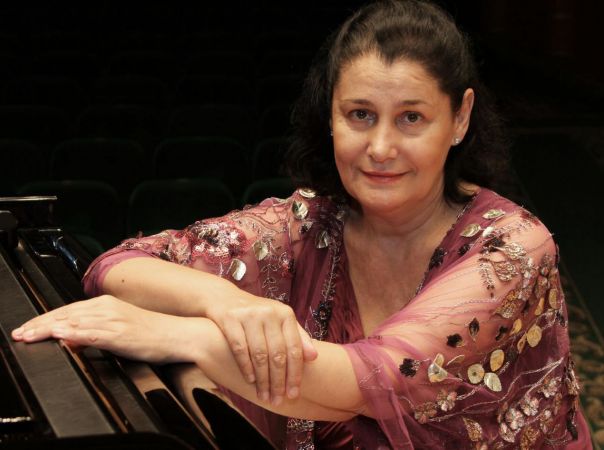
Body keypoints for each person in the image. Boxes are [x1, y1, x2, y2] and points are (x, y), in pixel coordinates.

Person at [11, 1, 591, 448]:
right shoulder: (309, 223)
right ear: (330, 116)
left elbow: (375, 379)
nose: (380, 147)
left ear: (459, 118)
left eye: (411, 118)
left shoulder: (512, 249)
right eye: (359, 115)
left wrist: (186, 335)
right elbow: (119, 266)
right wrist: (227, 303)